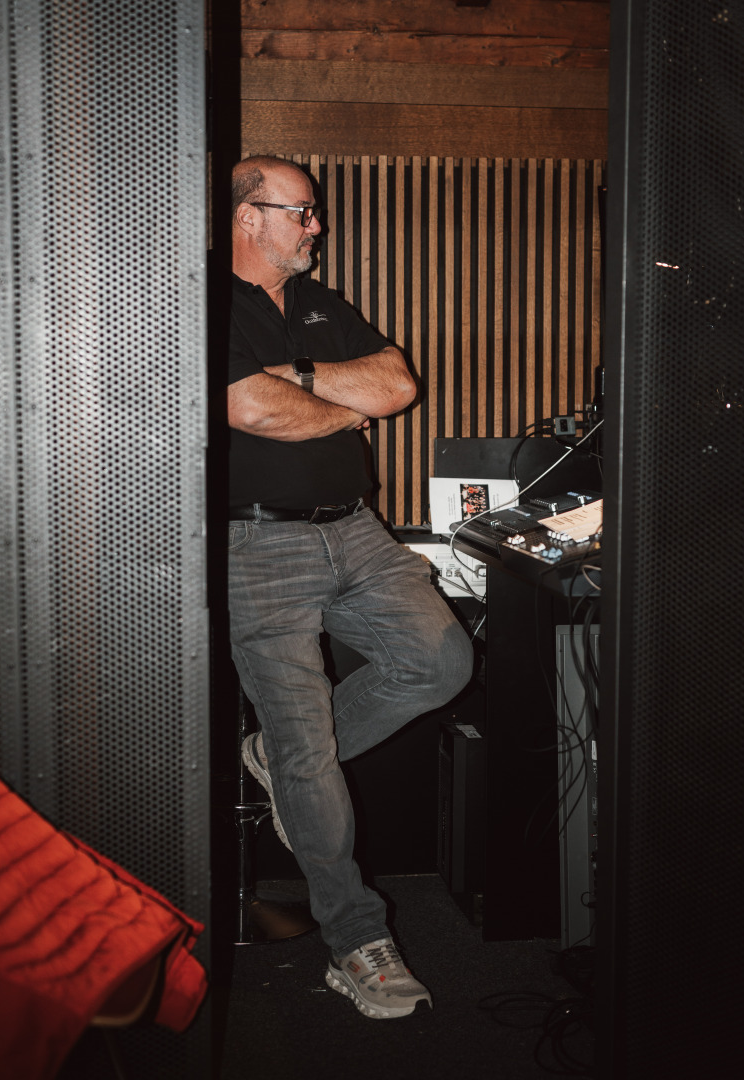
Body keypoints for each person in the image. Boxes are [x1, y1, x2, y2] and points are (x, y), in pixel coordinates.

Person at [226, 155, 473, 1019]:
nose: (316, 226)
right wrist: (339, 402)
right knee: (309, 753)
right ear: (249, 216)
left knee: (441, 661)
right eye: (300, 212)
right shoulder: (202, 300)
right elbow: (248, 409)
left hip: (357, 530)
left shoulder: (321, 304)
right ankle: (357, 941)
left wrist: (294, 379)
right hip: (259, 543)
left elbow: (398, 383)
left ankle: (275, 761)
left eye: (313, 212)